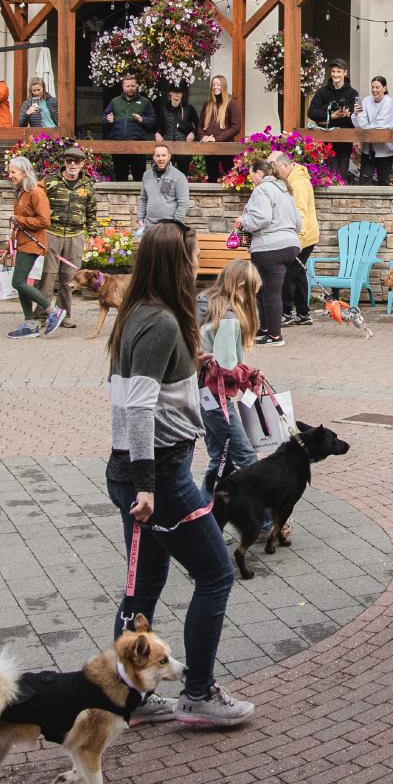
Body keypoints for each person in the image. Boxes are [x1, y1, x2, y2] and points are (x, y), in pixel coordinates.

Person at [106, 219, 255, 727]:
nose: (198, 265)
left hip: (136, 471)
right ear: (175, 263)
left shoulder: (137, 316)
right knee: (216, 574)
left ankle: (130, 694)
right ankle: (197, 694)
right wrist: (147, 484)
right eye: (192, 257)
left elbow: (148, 393)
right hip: (159, 476)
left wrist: (200, 367)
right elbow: (139, 409)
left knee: (144, 581)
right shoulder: (161, 322)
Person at [197, 258, 262, 490]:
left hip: (199, 391)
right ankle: (265, 522)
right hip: (216, 395)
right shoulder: (229, 318)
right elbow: (225, 367)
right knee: (246, 457)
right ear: (243, 287)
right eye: (255, 290)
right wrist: (249, 373)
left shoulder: (207, 306)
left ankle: (205, 513)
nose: (256, 295)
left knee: (220, 459)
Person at [236, 152, 302, 345]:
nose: (251, 180)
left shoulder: (262, 190)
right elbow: (298, 222)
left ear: (259, 173)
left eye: (251, 175)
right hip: (290, 244)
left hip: (269, 246)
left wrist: (243, 223)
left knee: (270, 291)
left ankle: (275, 335)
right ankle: (264, 330)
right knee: (265, 290)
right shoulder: (285, 189)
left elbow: (261, 218)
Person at [4, 154, 64, 340]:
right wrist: (11, 241)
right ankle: (30, 323)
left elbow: (45, 221)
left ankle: (53, 311)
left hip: (32, 243)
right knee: (21, 282)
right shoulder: (22, 191)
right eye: (9, 171)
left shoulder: (36, 192)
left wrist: (18, 219)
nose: (10, 175)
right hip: (23, 242)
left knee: (18, 282)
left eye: (13, 172)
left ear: (24, 172)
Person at [42, 143, 97, 327]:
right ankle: (42, 315)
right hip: (52, 233)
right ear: (64, 162)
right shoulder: (50, 181)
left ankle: (64, 316)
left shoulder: (88, 185)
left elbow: (91, 213)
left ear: (83, 164)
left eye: (77, 161)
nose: (73, 164)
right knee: (47, 276)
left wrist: (92, 235)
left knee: (69, 278)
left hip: (76, 236)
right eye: (69, 161)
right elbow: (39, 205)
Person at [279, 153, 319, 326]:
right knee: (299, 273)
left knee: (288, 274)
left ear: (285, 166)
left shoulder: (298, 184)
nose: (275, 173)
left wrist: (298, 242)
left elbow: (300, 213)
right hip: (306, 236)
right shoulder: (294, 179)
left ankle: (286, 312)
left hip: (304, 237)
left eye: (276, 169)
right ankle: (303, 313)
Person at [308, 61, 358, 181]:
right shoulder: (322, 92)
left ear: (345, 73)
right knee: (330, 174)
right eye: (333, 71)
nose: (335, 75)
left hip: (345, 139)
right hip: (327, 139)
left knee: (342, 173)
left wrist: (343, 115)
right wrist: (331, 115)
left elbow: (353, 116)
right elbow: (311, 112)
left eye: (339, 71)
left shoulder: (352, 93)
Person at [352, 75, 393, 185]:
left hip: (384, 149)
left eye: (377, 87)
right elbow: (361, 123)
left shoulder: (388, 102)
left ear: (384, 88)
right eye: (372, 87)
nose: (374, 90)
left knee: (383, 181)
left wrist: (366, 128)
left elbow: (381, 124)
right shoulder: (366, 100)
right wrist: (357, 113)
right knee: (364, 180)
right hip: (368, 148)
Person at [103, 76, 152, 180]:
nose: (130, 88)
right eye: (128, 86)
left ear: (136, 86)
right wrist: (108, 119)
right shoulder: (115, 101)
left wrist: (142, 119)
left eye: (133, 86)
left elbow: (153, 121)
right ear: (123, 87)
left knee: (139, 178)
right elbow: (104, 118)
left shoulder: (145, 101)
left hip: (138, 145)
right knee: (120, 177)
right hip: (119, 145)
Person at [138, 142, 192, 226]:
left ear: (169, 156)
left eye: (164, 155)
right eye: (157, 155)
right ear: (154, 157)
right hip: (149, 225)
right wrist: (140, 218)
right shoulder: (146, 175)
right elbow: (143, 199)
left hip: (169, 227)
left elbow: (183, 204)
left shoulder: (179, 176)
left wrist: (176, 224)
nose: (160, 158)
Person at [199, 74, 242, 180]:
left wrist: (217, 139)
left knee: (230, 177)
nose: (215, 87)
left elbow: (236, 127)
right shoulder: (207, 105)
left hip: (226, 148)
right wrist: (203, 137)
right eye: (213, 85)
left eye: (218, 84)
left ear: (223, 86)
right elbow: (199, 127)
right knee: (212, 177)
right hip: (210, 148)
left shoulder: (232, 103)